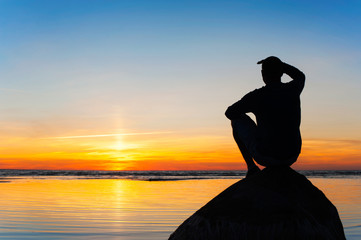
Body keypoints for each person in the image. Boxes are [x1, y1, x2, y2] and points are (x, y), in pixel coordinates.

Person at [225, 56, 305, 177]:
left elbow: (229, 113)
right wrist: (282, 65)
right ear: (281, 73)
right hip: (292, 155)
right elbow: (300, 76)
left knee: (236, 120)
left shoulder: (257, 96)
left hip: (266, 156)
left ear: (263, 73)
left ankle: (251, 168)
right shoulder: (292, 89)